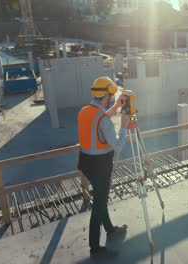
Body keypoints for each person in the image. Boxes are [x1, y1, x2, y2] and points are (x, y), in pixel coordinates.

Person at [77, 76, 129, 258]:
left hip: (85, 163)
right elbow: (118, 145)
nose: (112, 99)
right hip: (100, 166)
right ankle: (95, 248)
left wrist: (116, 108)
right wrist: (124, 126)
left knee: (100, 196)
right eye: (111, 96)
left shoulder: (85, 111)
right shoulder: (104, 120)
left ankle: (110, 230)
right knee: (99, 204)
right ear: (106, 96)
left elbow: (101, 117)